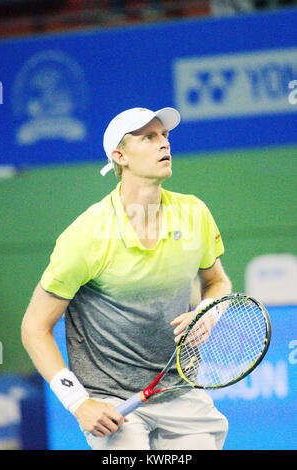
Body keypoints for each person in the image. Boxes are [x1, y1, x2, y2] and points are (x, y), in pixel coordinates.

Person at [21, 106, 232, 450]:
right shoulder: (88, 235)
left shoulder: (194, 213)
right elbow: (34, 327)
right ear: (120, 156)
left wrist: (208, 310)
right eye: (148, 137)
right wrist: (78, 402)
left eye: (165, 135)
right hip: (113, 404)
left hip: (179, 389)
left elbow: (217, 282)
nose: (163, 144)